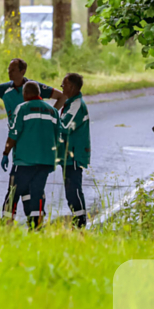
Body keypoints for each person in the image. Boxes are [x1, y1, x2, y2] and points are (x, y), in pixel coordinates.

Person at [0, 58, 65, 220]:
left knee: (16, 185)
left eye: (12, 70)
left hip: (23, 148)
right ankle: (35, 221)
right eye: (8, 69)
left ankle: (8, 220)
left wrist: (47, 113)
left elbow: (62, 96)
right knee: (33, 186)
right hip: (32, 150)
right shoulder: (5, 89)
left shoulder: (34, 88)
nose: (8, 72)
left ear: (22, 71)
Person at [0, 81, 60, 229]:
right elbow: (58, 137)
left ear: (25, 94)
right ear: (38, 94)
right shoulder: (53, 111)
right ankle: (36, 225)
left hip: (24, 162)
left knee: (13, 192)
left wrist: (6, 152)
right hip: (45, 162)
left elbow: (13, 133)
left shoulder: (22, 108)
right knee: (37, 193)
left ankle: (7, 224)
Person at [58, 72, 90, 228]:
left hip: (75, 154)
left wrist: (47, 119)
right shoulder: (70, 103)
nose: (62, 87)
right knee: (70, 188)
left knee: (73, 188)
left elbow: (64, 126)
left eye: (64, 84)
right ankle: (78, 220)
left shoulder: (76, 105)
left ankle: (81, 222)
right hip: (67, 155)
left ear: (72, 87)